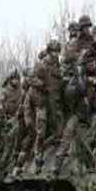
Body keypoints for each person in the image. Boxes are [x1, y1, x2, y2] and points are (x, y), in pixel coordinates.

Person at [54, 49, 96, 174]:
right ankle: (58, 163)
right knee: (68, 131)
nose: (92, 64)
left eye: (94, 61)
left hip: (94, 112)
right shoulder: (78, 76)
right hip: (79, 112)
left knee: (92, 134)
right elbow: (68, 93)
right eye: (89, 62)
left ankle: (90, 160)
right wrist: (79, 87)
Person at [29, 40, 64, 170]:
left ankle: (54, 145)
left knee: (58, 125)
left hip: (54, 101)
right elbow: (31, 79)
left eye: (57, 52)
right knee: (41, 129)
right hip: (43, 101)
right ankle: (37, 153)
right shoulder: (41, 65)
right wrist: (42, 86)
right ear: (49, 51)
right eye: (53, 51)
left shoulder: (57, 66)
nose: (56, 54)